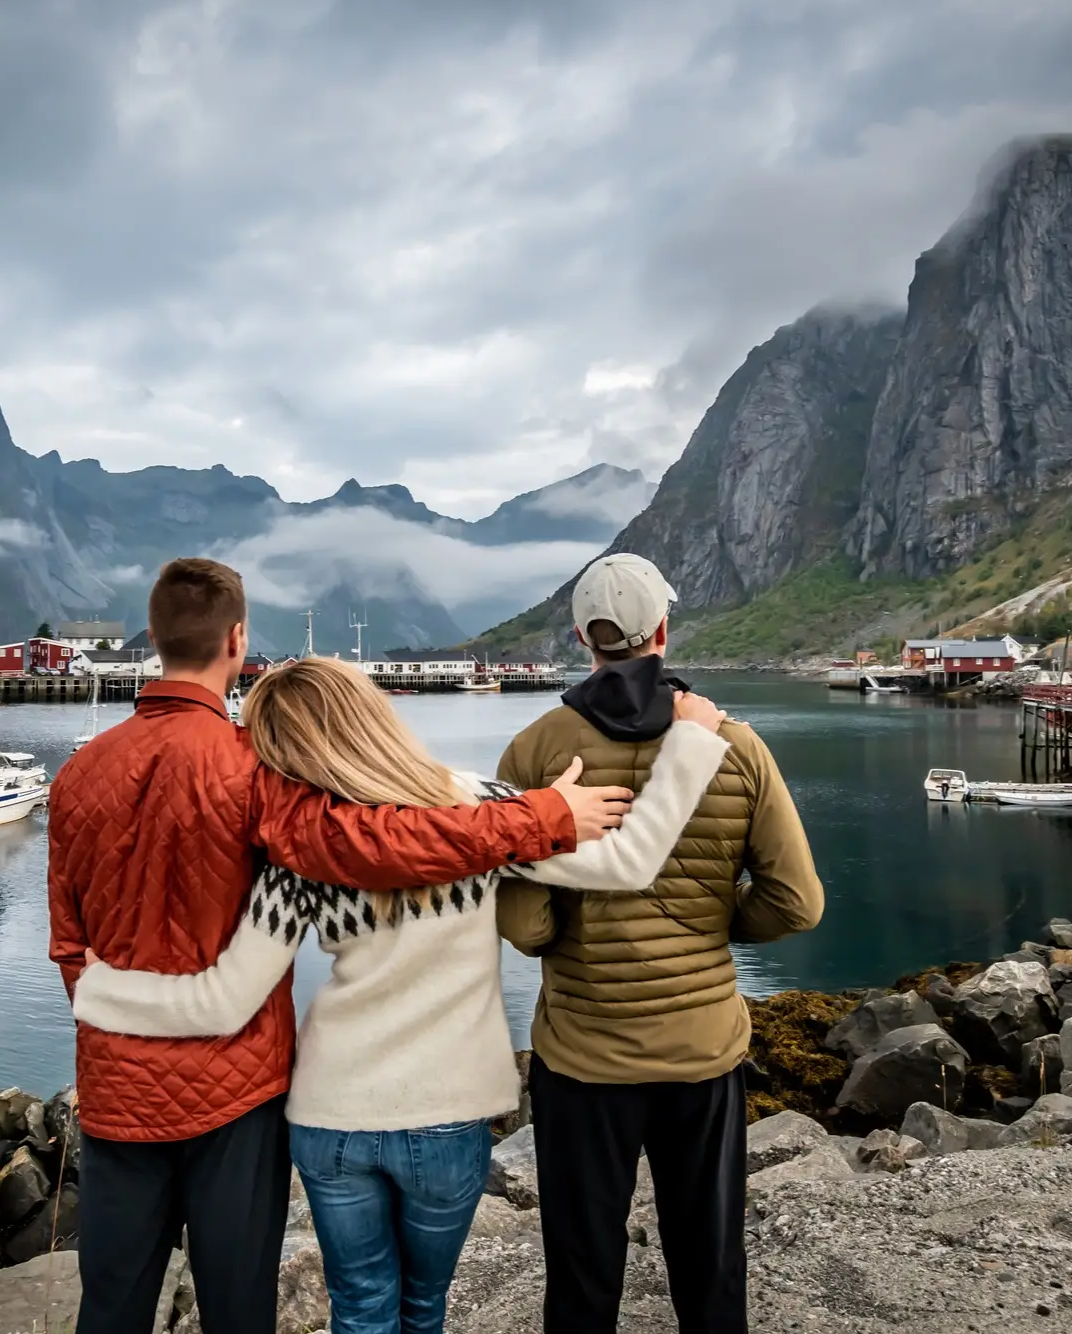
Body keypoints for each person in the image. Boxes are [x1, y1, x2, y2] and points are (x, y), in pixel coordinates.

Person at [47, 558, 637, 1334]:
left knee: (112, 1306)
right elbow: (371, 842)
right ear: (237, 638)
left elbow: (68, 945)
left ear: (153, 638)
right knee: (238, 1305)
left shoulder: (76, 774)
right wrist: (542, 818)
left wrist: (102, 1007)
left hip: (119, 1088)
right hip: (235, 1093)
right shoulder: (244, 768)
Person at [495, 552, 827, 1334]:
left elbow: (522, 925)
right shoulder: (734, 747)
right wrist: (713, 921)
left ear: (582, 636)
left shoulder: (536, 750)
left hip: (582, 1054)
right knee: (708, 1259)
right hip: (701, 1048)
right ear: (664, 632)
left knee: (580, 1264)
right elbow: (796, 903)